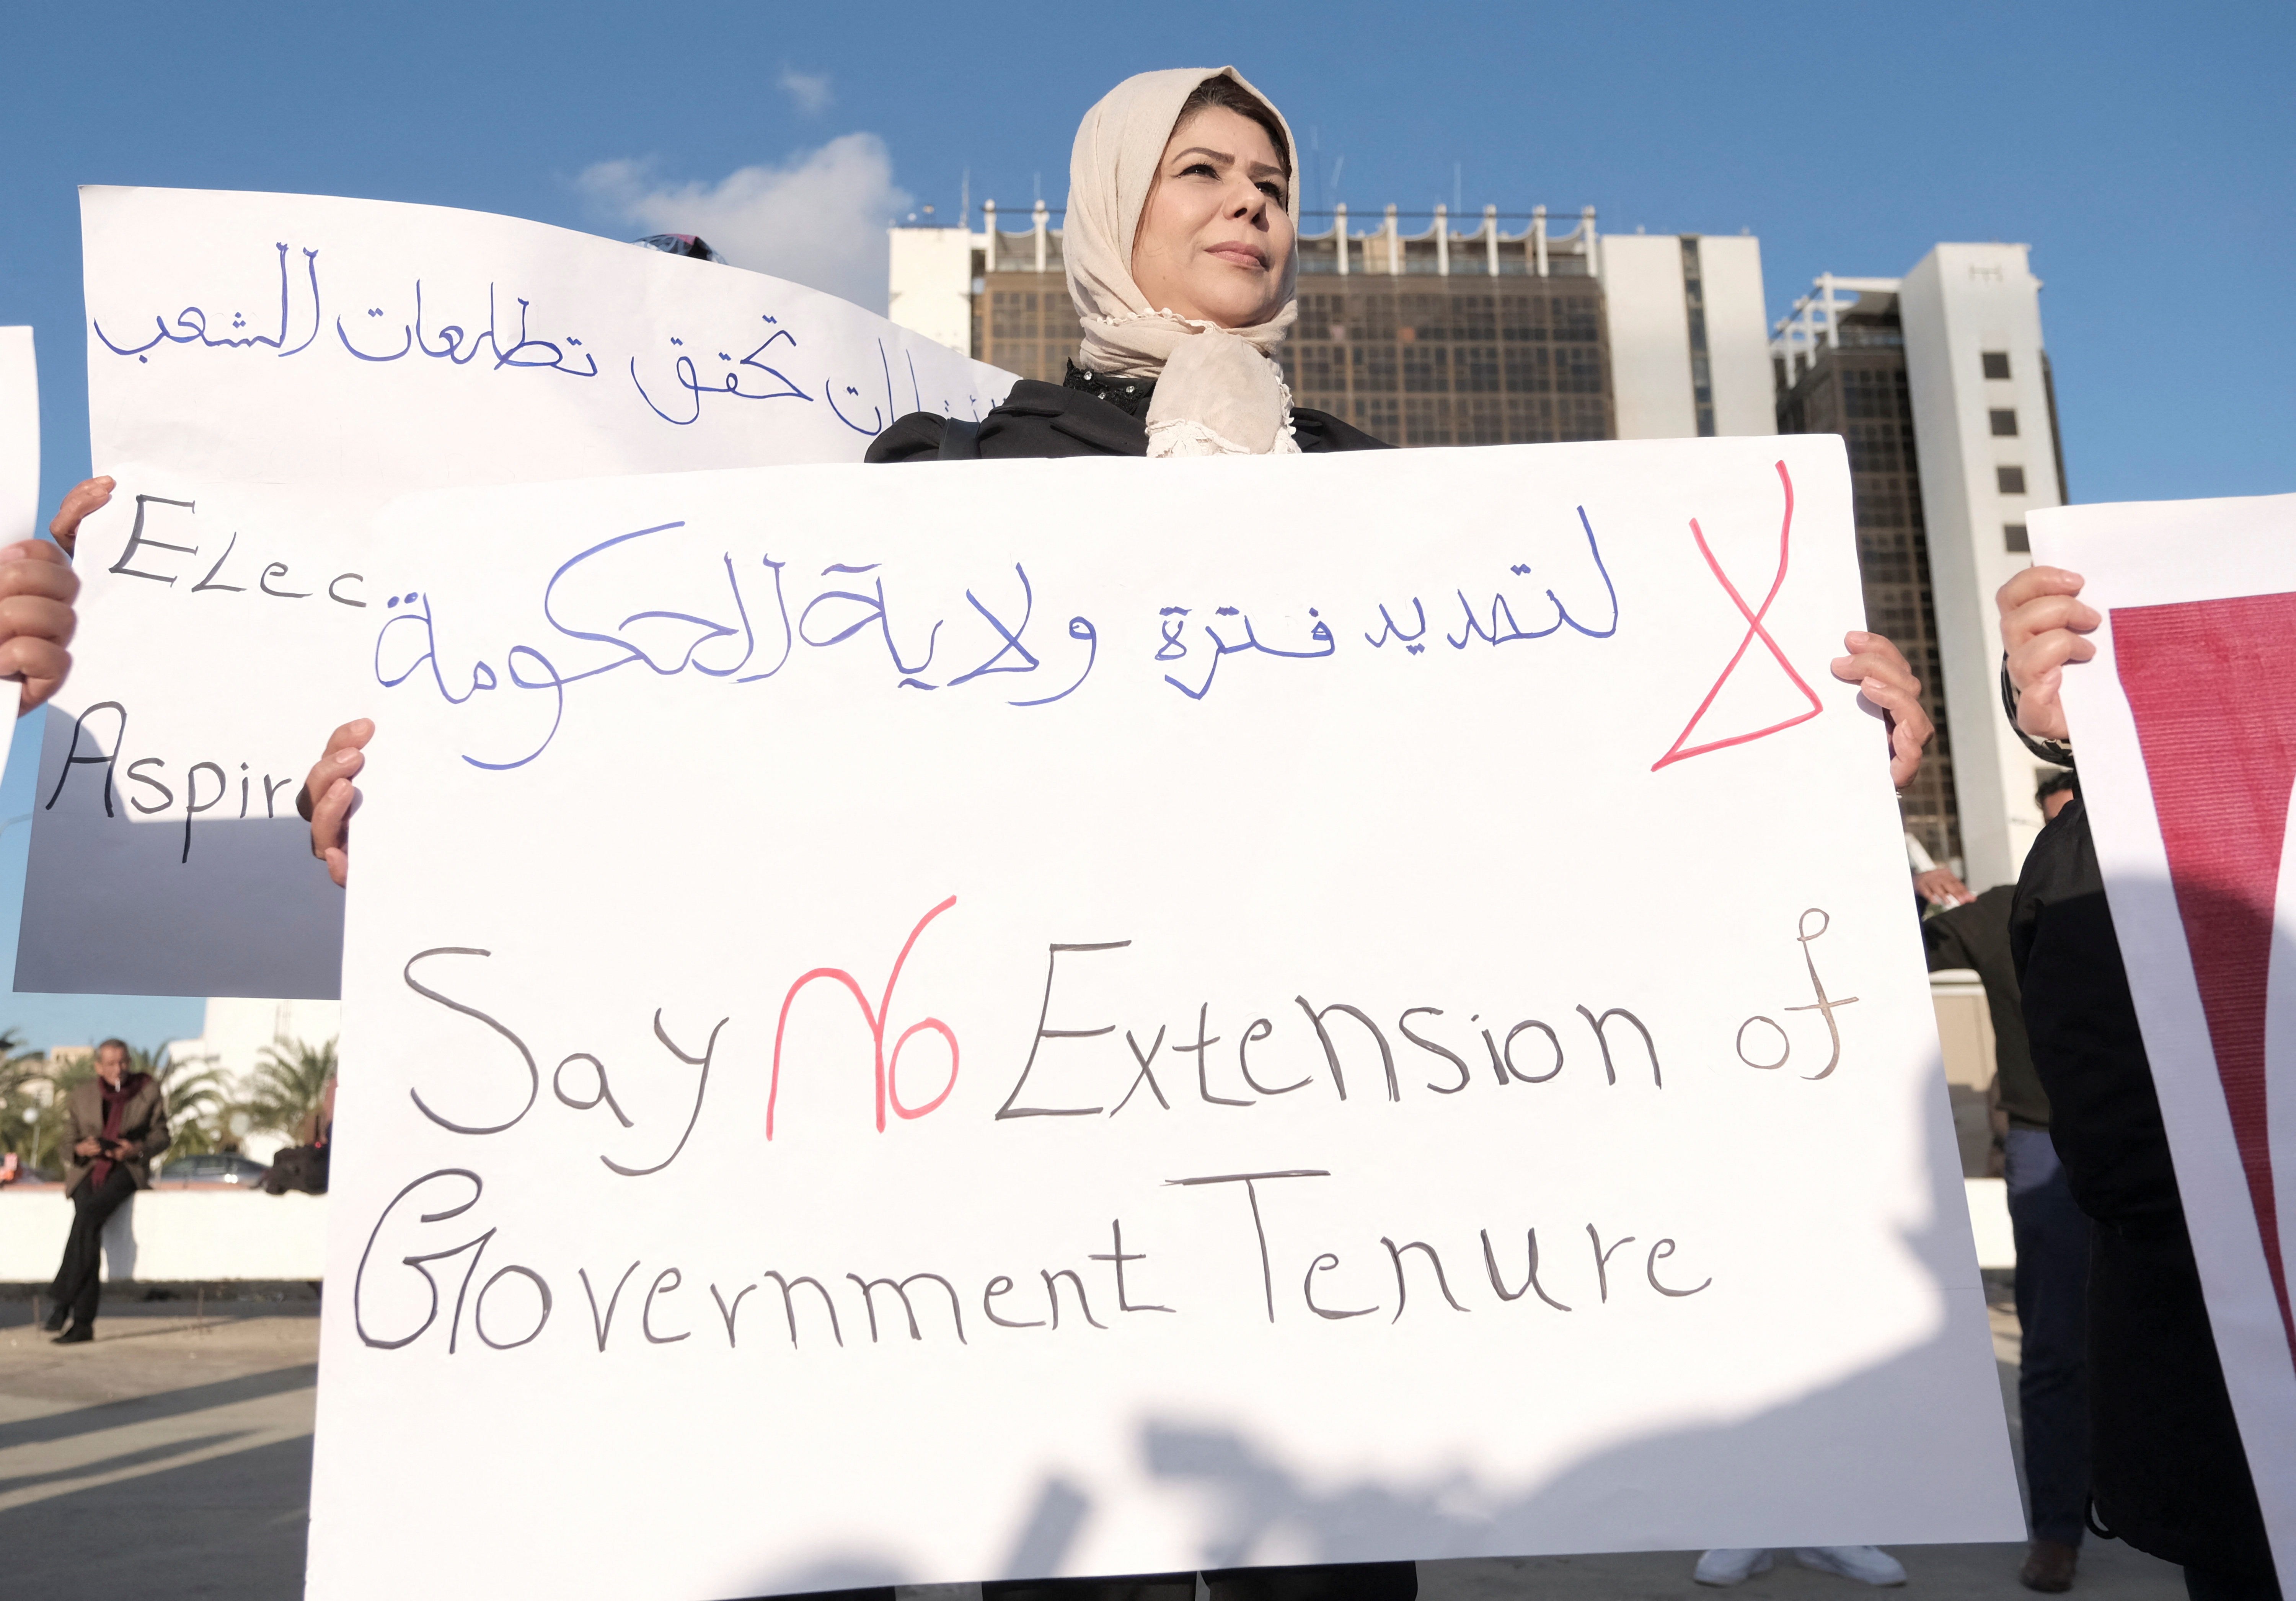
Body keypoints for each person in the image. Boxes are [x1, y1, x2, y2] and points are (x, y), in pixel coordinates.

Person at [1999, 565, 2282, 1601]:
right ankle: (2052, 1531)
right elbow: (2125, 1148)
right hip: (2240, 1435)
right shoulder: (2122, 870)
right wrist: (2119, 761)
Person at [1921, 770, 2090, 1593]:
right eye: (2063, 820)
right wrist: (1912, 881)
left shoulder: (2155, 905)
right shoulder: (1997, 912)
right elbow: (1900, 946)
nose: (2076, 838)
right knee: (2054, 1346)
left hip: (2163, 1151)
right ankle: (2058, 1528)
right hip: (2047, 1150)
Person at [43, 1037, 171, 1343]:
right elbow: (66, 1142)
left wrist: (135, 1149)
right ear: (99, 1066)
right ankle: (82, 1324)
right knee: (88, 1229)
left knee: (86, 1219)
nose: (119, 1069)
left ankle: (63, 1301)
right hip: (88, 1170)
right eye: (111, 1063)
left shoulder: (148, 1090)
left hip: (126, 1170)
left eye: (124, 1062)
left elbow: (163, 1135)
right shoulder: (82, 1094)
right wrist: (80, 1148)